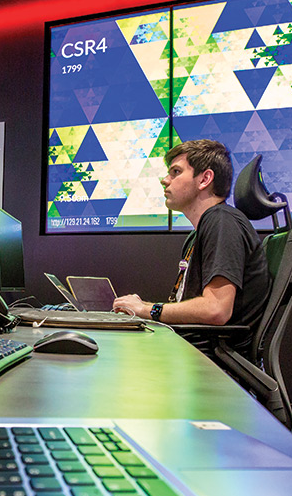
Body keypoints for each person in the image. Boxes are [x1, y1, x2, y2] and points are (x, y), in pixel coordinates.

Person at [112, 139, 269, 353]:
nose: (164, 180)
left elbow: (216, 309)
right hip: (189, 351)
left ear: (205, 179)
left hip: (208, 363)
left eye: (176, 172)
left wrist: (147, 309)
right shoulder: (200, 232)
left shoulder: (222, 222)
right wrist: (139, 310)